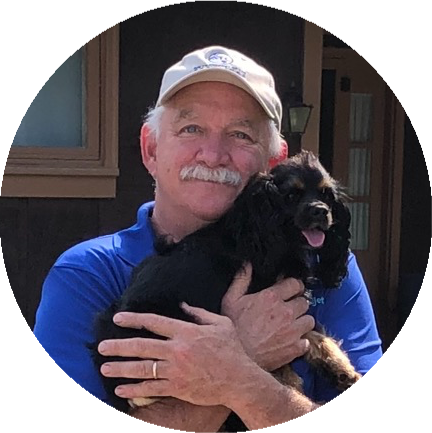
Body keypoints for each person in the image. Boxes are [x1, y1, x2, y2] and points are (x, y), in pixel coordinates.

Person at [33, 46, 383, 431]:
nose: (213, 155)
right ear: (151, 149)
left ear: (274, 162)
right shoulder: (88, 274)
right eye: (191, 129)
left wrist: (243, 381)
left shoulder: (320, 264)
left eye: (240, 134)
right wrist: (241, 358)